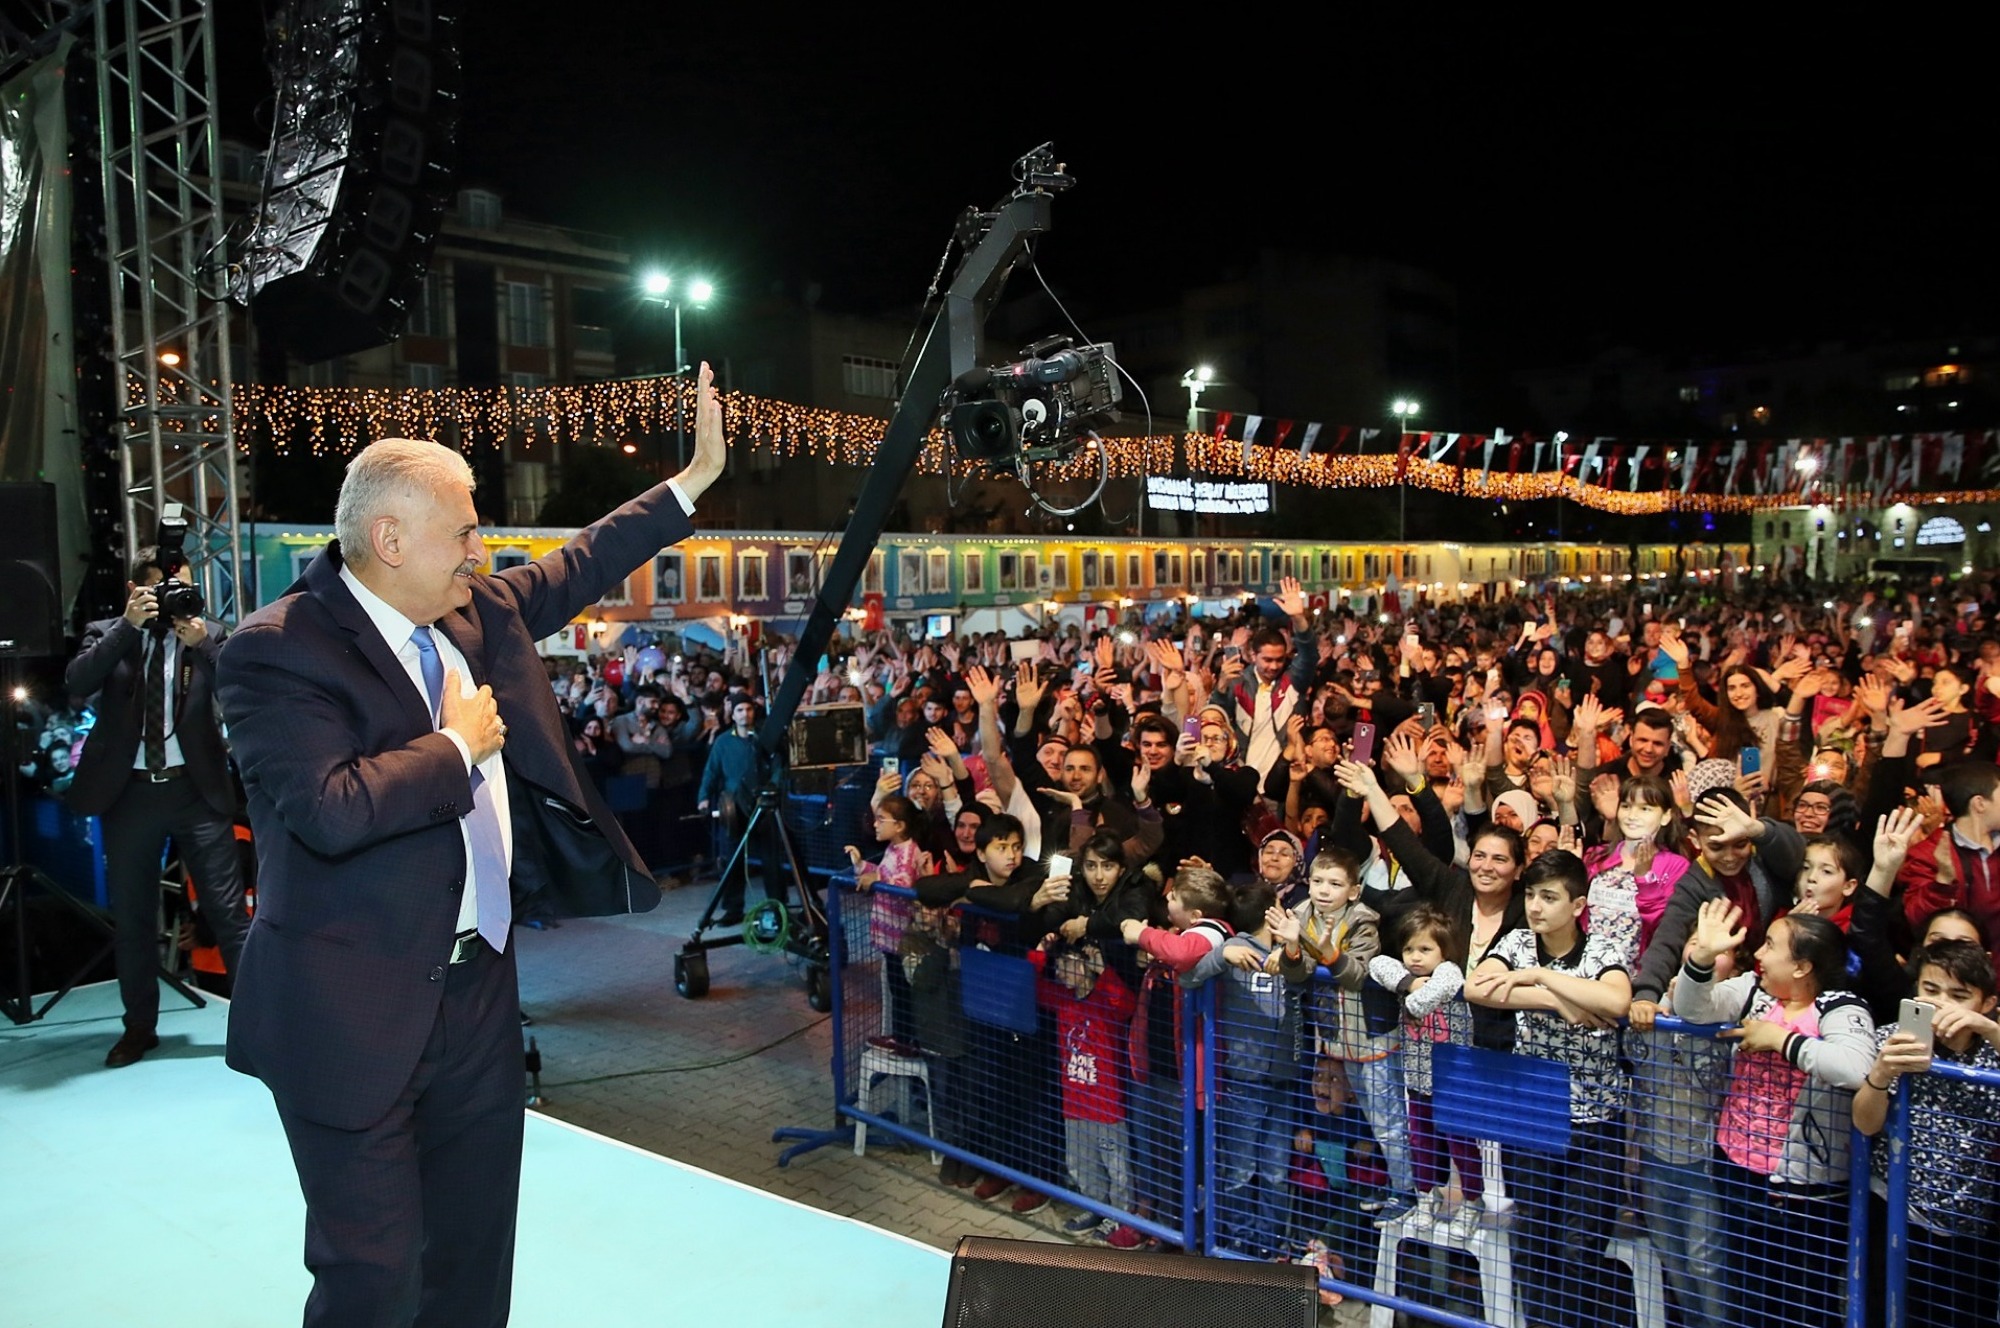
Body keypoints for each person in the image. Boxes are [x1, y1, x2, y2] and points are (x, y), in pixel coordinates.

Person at [213, 363, 726, 1327]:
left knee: (474, 1266)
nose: (481, 549)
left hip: (479, 996)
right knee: (374, 1283)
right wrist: (458, 746)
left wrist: (689, 483)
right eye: (465, 529)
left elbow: (578, 562)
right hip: (350, 1013)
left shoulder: (471, 613)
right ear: (389, 537)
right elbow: (329, 809)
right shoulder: (275, 650)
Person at [65, 546, 252, 1068]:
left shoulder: (207, 635)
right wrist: (128, 627)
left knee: (230, 917)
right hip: (129, 795)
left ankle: (258, 1032)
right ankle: (138, 1029)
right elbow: (77, 685)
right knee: (133, 921)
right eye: (161, 589)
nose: (175, 599)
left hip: (197, 792)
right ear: (134, 589)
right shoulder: (108, 632)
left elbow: (248, 690)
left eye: (183, 588)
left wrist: (207, 646)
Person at [1853, 939, 2000, 1328]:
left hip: (1965, 1228)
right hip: (1893, 1213)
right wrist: (1881, 1075)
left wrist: (1990, 1029)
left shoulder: (1992, 1052)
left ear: (1986, 1003)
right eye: (1929, 990)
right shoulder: (1893, 1040)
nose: (1941, 1004)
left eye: (1960, 995)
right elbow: (1865, 1123)